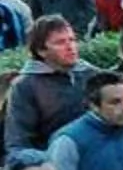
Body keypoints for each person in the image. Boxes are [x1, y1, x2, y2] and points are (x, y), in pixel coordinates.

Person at [8, 16, 91, 150]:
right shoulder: (25, 85)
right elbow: (19, 142)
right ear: (41, 51)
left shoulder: (91, 74)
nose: (70, 47)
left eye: (72, 40)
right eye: (60, 42)